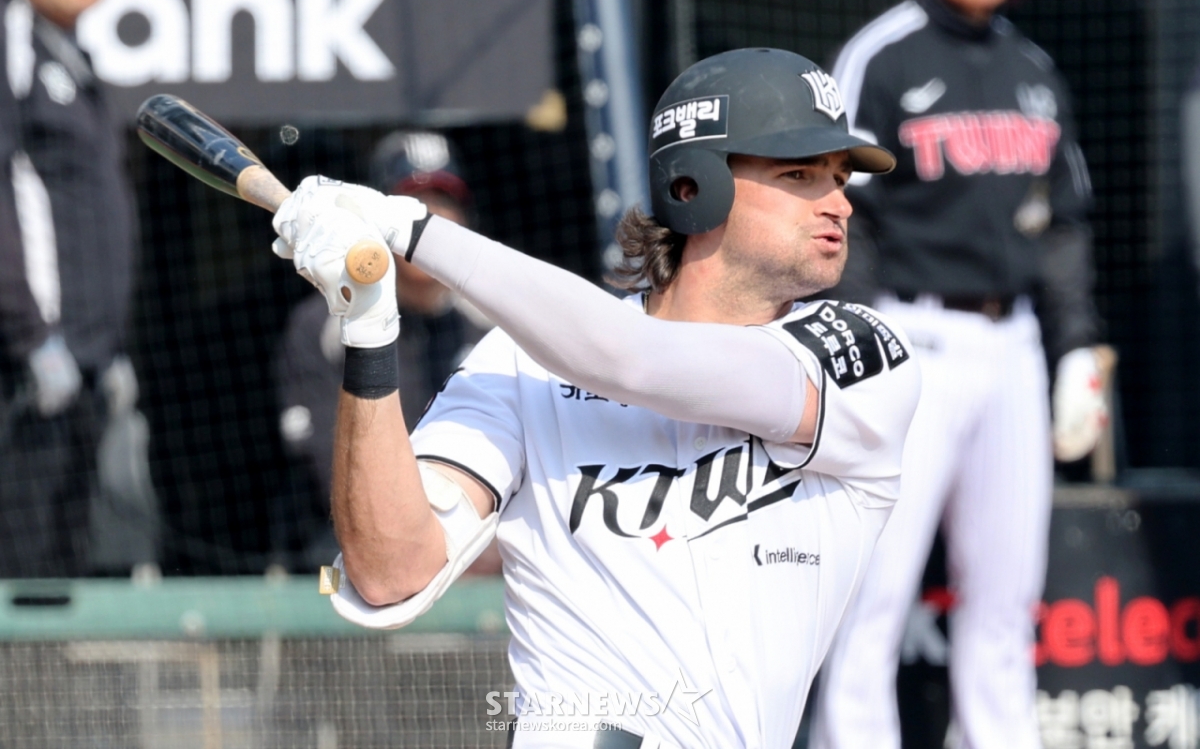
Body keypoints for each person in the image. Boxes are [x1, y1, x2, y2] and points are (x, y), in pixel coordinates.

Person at [271, 48, 922, 749]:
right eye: (800, 174)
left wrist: (414, 231)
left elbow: (632, 359)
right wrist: (368, 329)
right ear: (693, 187)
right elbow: (391, 571)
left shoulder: (863, 355)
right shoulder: (522, 361)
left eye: (839, 176)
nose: (839, 202)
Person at [809, 0, 1108, 748]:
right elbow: (839, 211)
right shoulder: (881, 55)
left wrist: (1077, 346)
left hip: (1013, 342)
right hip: (910, 335)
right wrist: (855, 344)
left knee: (1008, 594)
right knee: (873, 591)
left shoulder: (1033, 67)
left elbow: (1064, 221)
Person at [0, 0, 138, 576]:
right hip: (20, 375)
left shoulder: (69, 49)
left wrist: (102, 352)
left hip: (74, 372)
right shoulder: (9, 33)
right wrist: (31, 339)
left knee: (59, 584)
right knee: (17, 588)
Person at [276, 129, 492, 570]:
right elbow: (328, 468)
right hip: (349, 548)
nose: (431, 221)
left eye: (444, 203)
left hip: (477, 545)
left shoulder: (491, 327)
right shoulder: (322, 323)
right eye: (414, 205)